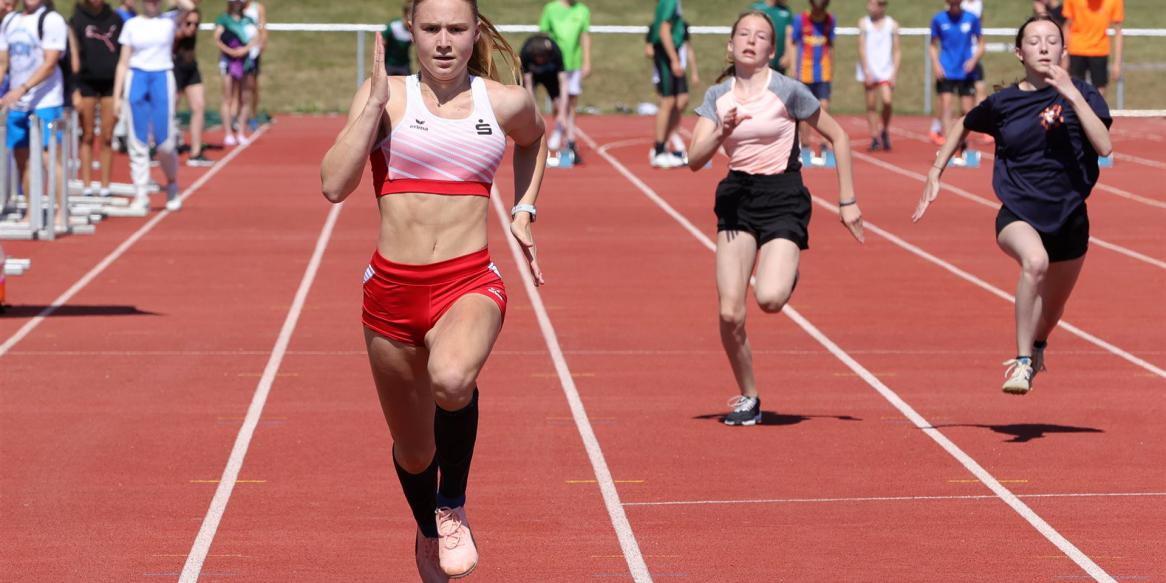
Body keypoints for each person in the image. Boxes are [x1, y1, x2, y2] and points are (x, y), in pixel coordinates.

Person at [318, 0, 546, 578]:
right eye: (431, 29)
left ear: (475, 33)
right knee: (415, 451)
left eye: (456, 29)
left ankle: (451, 507)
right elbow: (333, 185)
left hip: (467, 281)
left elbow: (533, 140)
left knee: (451, 378)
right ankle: (425, 527)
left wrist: (523, 210)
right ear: (411, 31)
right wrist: (370, 109)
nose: (444, 41)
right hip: (390, 294)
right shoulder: (387, 97)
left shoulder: (505, 101)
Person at [913, 16, 1111, 395]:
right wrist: (936, 170)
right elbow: (963, 123)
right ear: (1020, 52)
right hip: (1019, 213)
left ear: (1063, 50)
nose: (1043, 47)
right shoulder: (1003, 103)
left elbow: (1104, 146)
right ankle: (1021, 363)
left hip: (1070, 218)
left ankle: (1038, 346)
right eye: (1034, 41)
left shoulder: (1084, 94)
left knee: (1052, 312)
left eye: (1052, 40)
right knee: (1034, 262)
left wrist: (1070, 94)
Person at [688, 10, 864, 426]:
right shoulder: (718, 98)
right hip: (736, 197)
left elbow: (838, 136)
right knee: (731, 313)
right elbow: (694, 160)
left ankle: (783, 270)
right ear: (731, 47)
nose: (751, 40)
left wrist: (847, 200)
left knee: (769, 298)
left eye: (761, 35)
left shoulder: (788, 91)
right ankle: (749, 397)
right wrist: (718, 131)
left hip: (782, 195)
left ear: (772, 49)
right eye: (743, 34)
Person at [112, 0, 196, 211]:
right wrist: (117, 96)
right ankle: (141, 194)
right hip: (137, 77)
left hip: (161, 77)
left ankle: (171, 182)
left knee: (165, 142)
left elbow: (189, 7)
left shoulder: (169, 20)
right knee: (137, 140)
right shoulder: (132, 24)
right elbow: (123, 62)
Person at [0, 0, 69, 220]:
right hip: (17, 103)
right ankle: (32, 209)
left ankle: (61, 209)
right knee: (23, 159)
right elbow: (3, 61)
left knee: (49, 156)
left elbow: (50, 62)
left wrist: (24, 88)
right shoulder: (10, 20)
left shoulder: (51, 20)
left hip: (45, 101)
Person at [70, 0, 124, 196]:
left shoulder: (115, 19)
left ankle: (105, 185)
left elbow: (122, 52)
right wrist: (74, 88)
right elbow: (72, 55)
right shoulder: (76, 19)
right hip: (86, 83)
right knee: (87, 135)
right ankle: (86, 185)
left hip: (110, 83)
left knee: (107, 136)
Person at [930, 0, 983, 163]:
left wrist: (974, 60)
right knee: (947, 107)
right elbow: (932, 45)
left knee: (966, 110)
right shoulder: (938, 19)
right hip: (946, 69)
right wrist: (936, 64)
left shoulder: (971, 18)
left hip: (965, 70)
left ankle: (962, 142)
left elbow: (981, 43)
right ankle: (948, 146)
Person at [538, 0, 589, 163]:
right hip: (555, 64)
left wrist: (587, 61)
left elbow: (584, 36)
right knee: (558, 102)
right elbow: (544, 34)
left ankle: (566, 135)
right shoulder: (551, 9)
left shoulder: (583, 10)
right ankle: (562, 131)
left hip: (574, 62)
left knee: (572, 101)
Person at [646, 17, 697, 168]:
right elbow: (648, 50)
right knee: (667, 103)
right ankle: (659, 148)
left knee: (682, 100)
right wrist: (665, 53)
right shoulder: (656, 25)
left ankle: (666, 139)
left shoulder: (682, 25)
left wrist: (694, 71)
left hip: (679, 70)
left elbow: (688, 47)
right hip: (665, 69)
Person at [791, 0, 835, 166]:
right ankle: (806, 148)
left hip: (823, 71)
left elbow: (831, 46)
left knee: (824, 107)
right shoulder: (800, 20)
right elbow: (794, 44)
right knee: (804, 113)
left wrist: (832, 69)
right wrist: (794, 67)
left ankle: (825, 147)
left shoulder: (830, 20)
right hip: (805, 71)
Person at [856, 0, 899, 151]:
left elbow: (897, 50)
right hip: (869, 68)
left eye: (873, 4)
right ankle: (874, 137)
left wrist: (894, 72)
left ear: (882, 6)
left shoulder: (891, 24)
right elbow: (861, 47)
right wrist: (866, 69)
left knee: (887, 101)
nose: (870, 7)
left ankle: (884, 130)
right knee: (871, 104)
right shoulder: (864, 23)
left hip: (885, 69)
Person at [520, 32, 569, 161]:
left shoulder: (555, 52)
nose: (540, 62)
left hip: (550, 75)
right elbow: (528, 85)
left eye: (542, 59)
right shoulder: (526, 52)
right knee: (524, 103)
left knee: (559, 105)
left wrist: (563, 114)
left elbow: (564, 83)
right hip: (532, 77)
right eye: (537, 60)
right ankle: (530, 142)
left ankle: (562, 138)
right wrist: (536, 112)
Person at [213, 0, 256, 146]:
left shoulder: (248, 20)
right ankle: (228, 132)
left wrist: (245, 50)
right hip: (228, 62)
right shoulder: (223, 19)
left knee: (244, 97)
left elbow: (256, 38)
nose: (237, 3)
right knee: (227, 97)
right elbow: (217, 39)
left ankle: (241, 132)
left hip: (245, 62)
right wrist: (230, 52)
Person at [173, 5, 212, 166]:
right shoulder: (172, 34)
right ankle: (157, 148)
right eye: (189, 23)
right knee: (169, 109)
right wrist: (179, 34)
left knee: (199, 106)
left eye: (196, 25)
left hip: (190, 67)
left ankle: (195, 152)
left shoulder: (192, 33)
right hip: (174, 67)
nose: (192, 28)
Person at [1063, 0, 1122, 99]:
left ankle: (1097, 113)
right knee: (1075, 89)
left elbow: (1118, 31)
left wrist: (1117, 63)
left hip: (1099, 50)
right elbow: (1066, 25)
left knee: (1099, 91)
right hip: (1076, 49)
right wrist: (1064, 56)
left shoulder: (1114, 2)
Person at [242, 0, 263, 129]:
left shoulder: (257, 7)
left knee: (253, 85)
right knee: (237, 86)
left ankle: (253, 116)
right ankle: (238, 117)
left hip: (253, 52)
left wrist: (262, 43)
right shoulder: (237, 5)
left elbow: (262, 27)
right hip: (238, 51)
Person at [383, 0, 413, 76]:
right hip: (389, 65)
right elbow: (382, 45)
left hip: (404, 65)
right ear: (405, 15)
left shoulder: (413, 30)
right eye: (410, 17)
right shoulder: (393, 27)